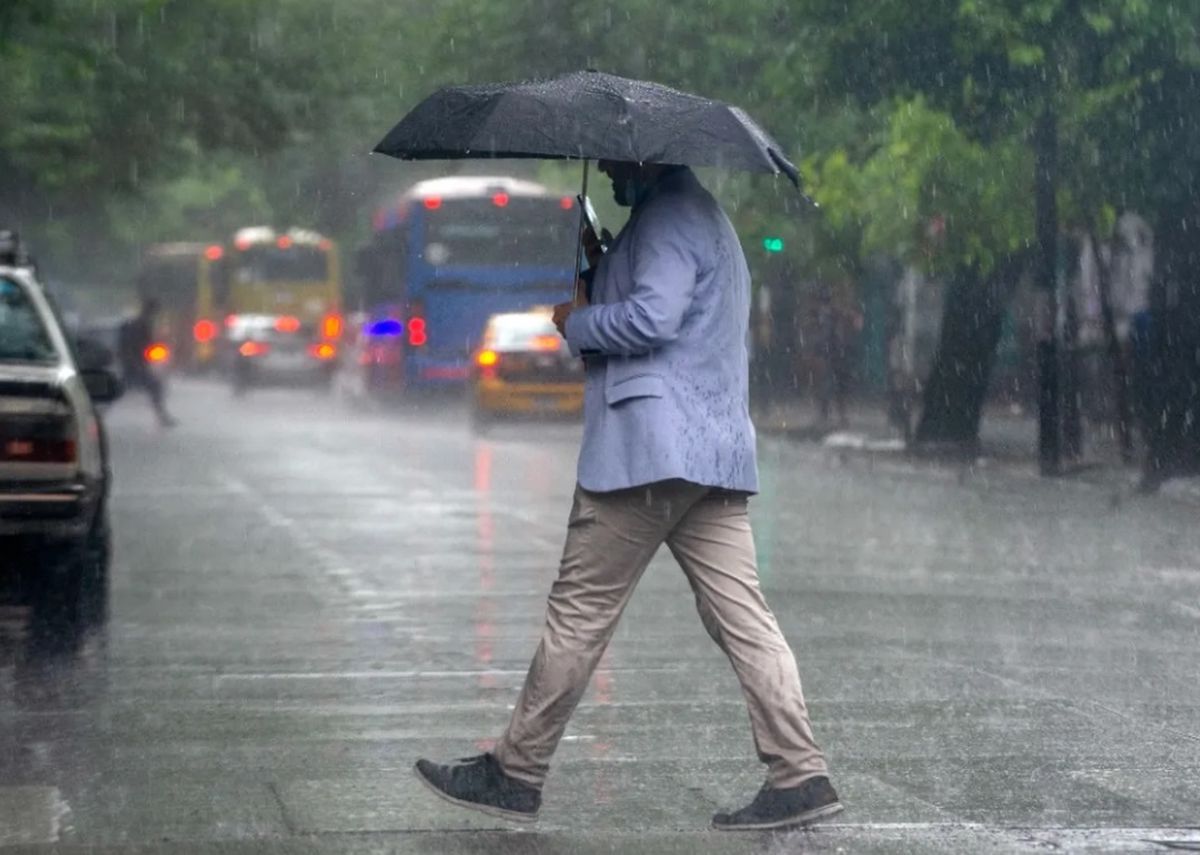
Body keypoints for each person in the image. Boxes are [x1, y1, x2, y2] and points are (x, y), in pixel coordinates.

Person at [414, 161, 841, 831]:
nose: (609, 166)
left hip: (649, 452)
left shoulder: (669, 217)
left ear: (651, 156)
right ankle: (800, 768)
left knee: (580, 610)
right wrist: (603, 261)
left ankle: (515, 770)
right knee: (743, 616)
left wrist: (578, 322)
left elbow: (653, 317)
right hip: (711, 454)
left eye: (617, 156)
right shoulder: (701, 218)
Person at [118, 296, 176, 427]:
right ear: (151, 311)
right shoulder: (142, 324)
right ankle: (162, 417)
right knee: (155, 387)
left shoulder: (139, 323)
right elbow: (140, 345)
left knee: (120, 390)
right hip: (135, 363)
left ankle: (163, 417)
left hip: (134, 363)